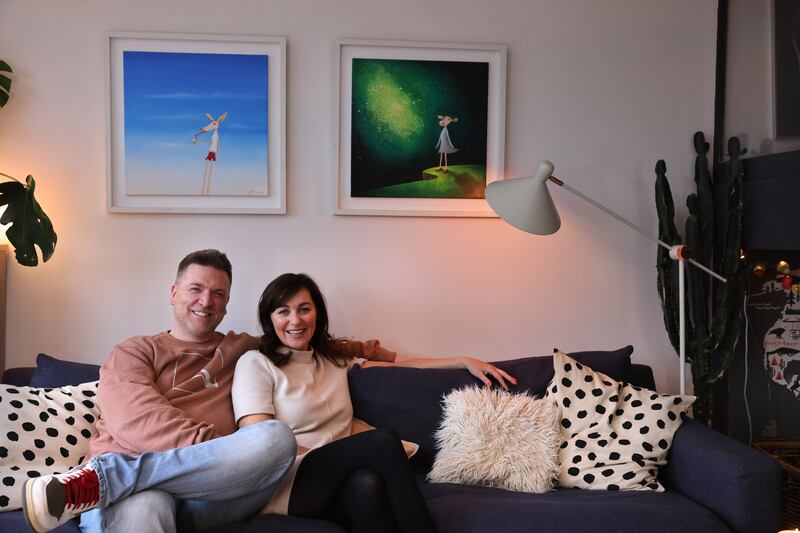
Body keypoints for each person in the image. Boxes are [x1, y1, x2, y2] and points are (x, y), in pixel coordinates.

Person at [21, 250, 400, 533]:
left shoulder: (243, 348)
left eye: (218, 293)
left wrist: (375, 352)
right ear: (173, 292)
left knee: (275, 439)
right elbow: (139, 423)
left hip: (216, 492)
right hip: (144, 492)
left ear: (227, 304)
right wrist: (218, 451)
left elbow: (303, 336)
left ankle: (110, 477)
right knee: (147, 512)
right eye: (196, 289)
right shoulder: (135, 351)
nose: (206, 301)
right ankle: (102, 482)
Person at [232, 273, 516, 533]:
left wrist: (462, 360)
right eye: (284, 311)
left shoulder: (333, 360)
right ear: (270, 319)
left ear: (317, 313)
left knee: (367, 486)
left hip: (334, 481)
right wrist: (338, 457)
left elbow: (403, 365)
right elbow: (259, 440)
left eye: (304, 309)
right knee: (381, 442)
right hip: (288, 479)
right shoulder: (255, 363)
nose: (295, 321)